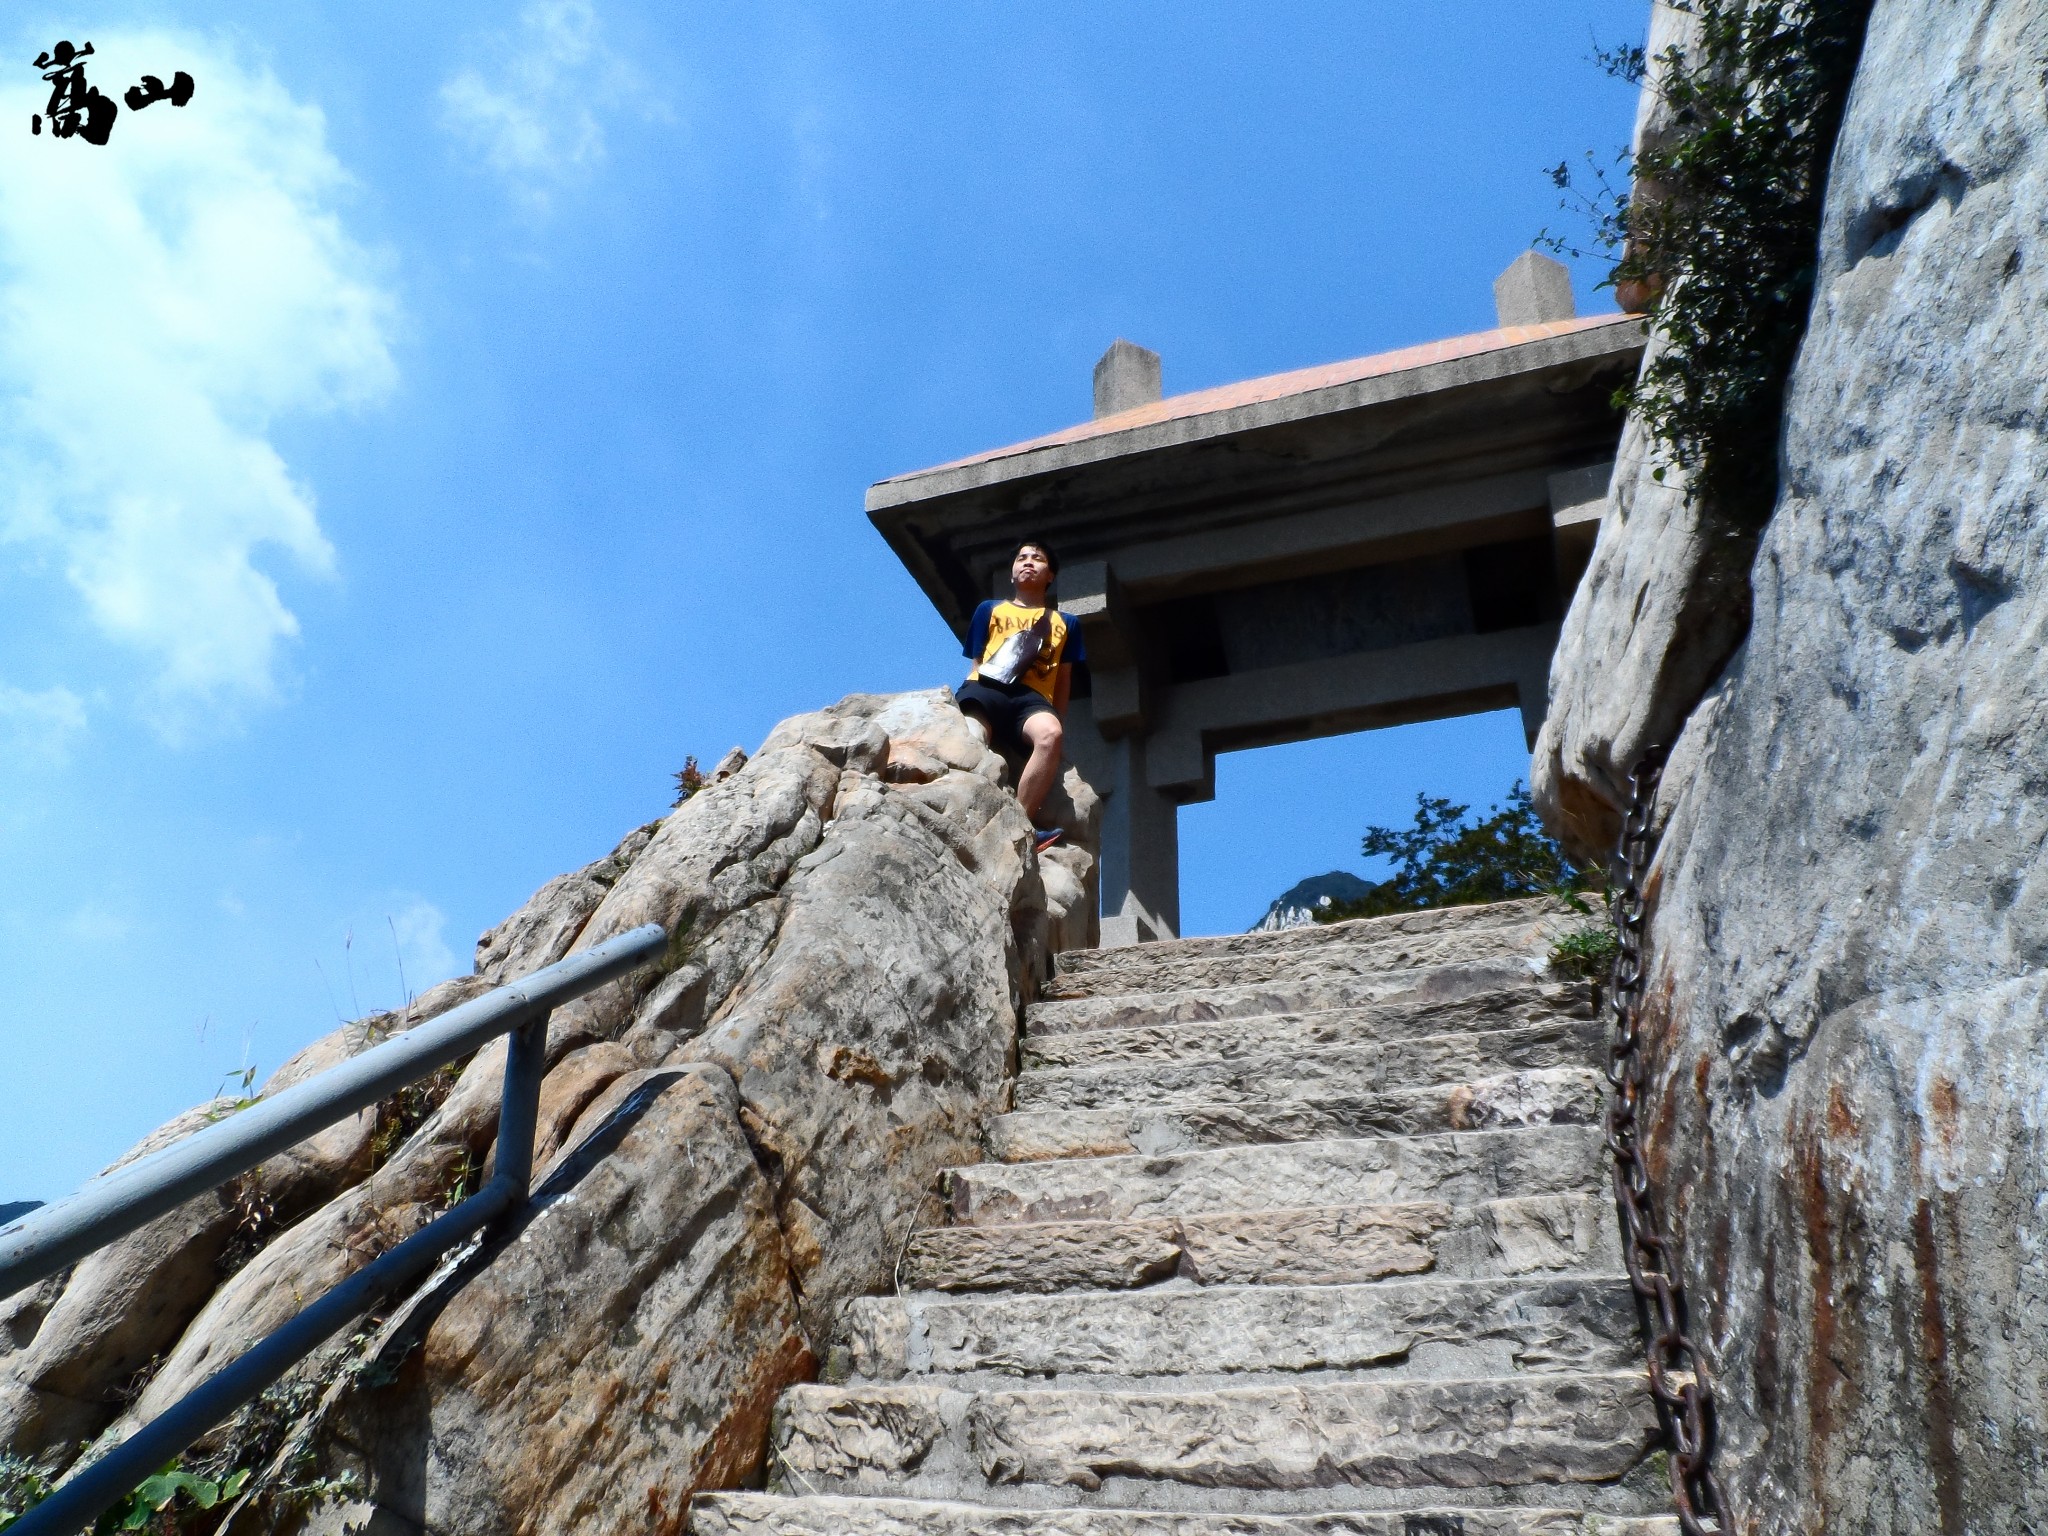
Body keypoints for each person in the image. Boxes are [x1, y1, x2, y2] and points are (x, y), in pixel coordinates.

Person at [956, 540, 1084, 849]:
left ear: (1050, 574)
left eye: (1037, 558)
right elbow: (977, 660)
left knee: (1050, 735)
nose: (1028, 562)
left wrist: (1059, 717)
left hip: (1033, 698)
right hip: (988, 686)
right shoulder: (989, 610)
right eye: (1021, 558)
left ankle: (1019, 826)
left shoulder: (1066, 623)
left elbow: (1063, 678)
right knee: (973, 736)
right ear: (1013, 572)